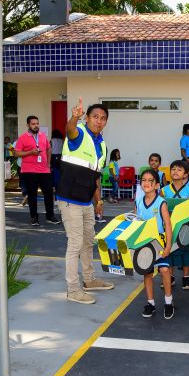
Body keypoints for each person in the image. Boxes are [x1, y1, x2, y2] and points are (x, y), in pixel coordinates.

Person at [56, 99, 115, 305]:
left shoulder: (102, 144)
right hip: (69, 200)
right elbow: (69, 129)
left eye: (103, 118)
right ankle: (73, 289)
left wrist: (98, 201)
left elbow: (96, 176)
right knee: (74, 244)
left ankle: (89, 280)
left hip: (86, 202)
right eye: (95, 117)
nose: (99, 121)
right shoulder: (79, 133)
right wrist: (74, 117)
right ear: (87, 118)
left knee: (88, 242)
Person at [137, 169, 175, 319]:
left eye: (150, 180)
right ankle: (151, 303)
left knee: (165, 270)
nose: (146, 183)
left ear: (157, 184)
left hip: (159, 243)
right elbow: (137, 222)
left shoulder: (161, 203)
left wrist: (168, 247)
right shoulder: (139, 201)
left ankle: (168, 301)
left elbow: (168, 225)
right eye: (143, 180)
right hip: (145, 244)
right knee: (147, 273)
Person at [15, 117, 60, 227]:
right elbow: (16, 153)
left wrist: (49, 163)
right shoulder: (22, 138)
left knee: (49, 193)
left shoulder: (43, 136)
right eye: (33, 124)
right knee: (32, 195)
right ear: (28, 125)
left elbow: (49, 149)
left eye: (37, 123)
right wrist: (30, 152)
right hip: (29, 170)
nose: (36, 126)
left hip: (44, 170)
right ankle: (34, 217)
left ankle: (50, 216)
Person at [160, 160, 189, 290]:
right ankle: (171, 275)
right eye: (173, 169)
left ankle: (186, 277)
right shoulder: (164, 190)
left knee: (186, 251)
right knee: (170, 251)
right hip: (170, 226)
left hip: (186, 226)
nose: (175, 171)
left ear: (186, 174)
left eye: (179, 169)